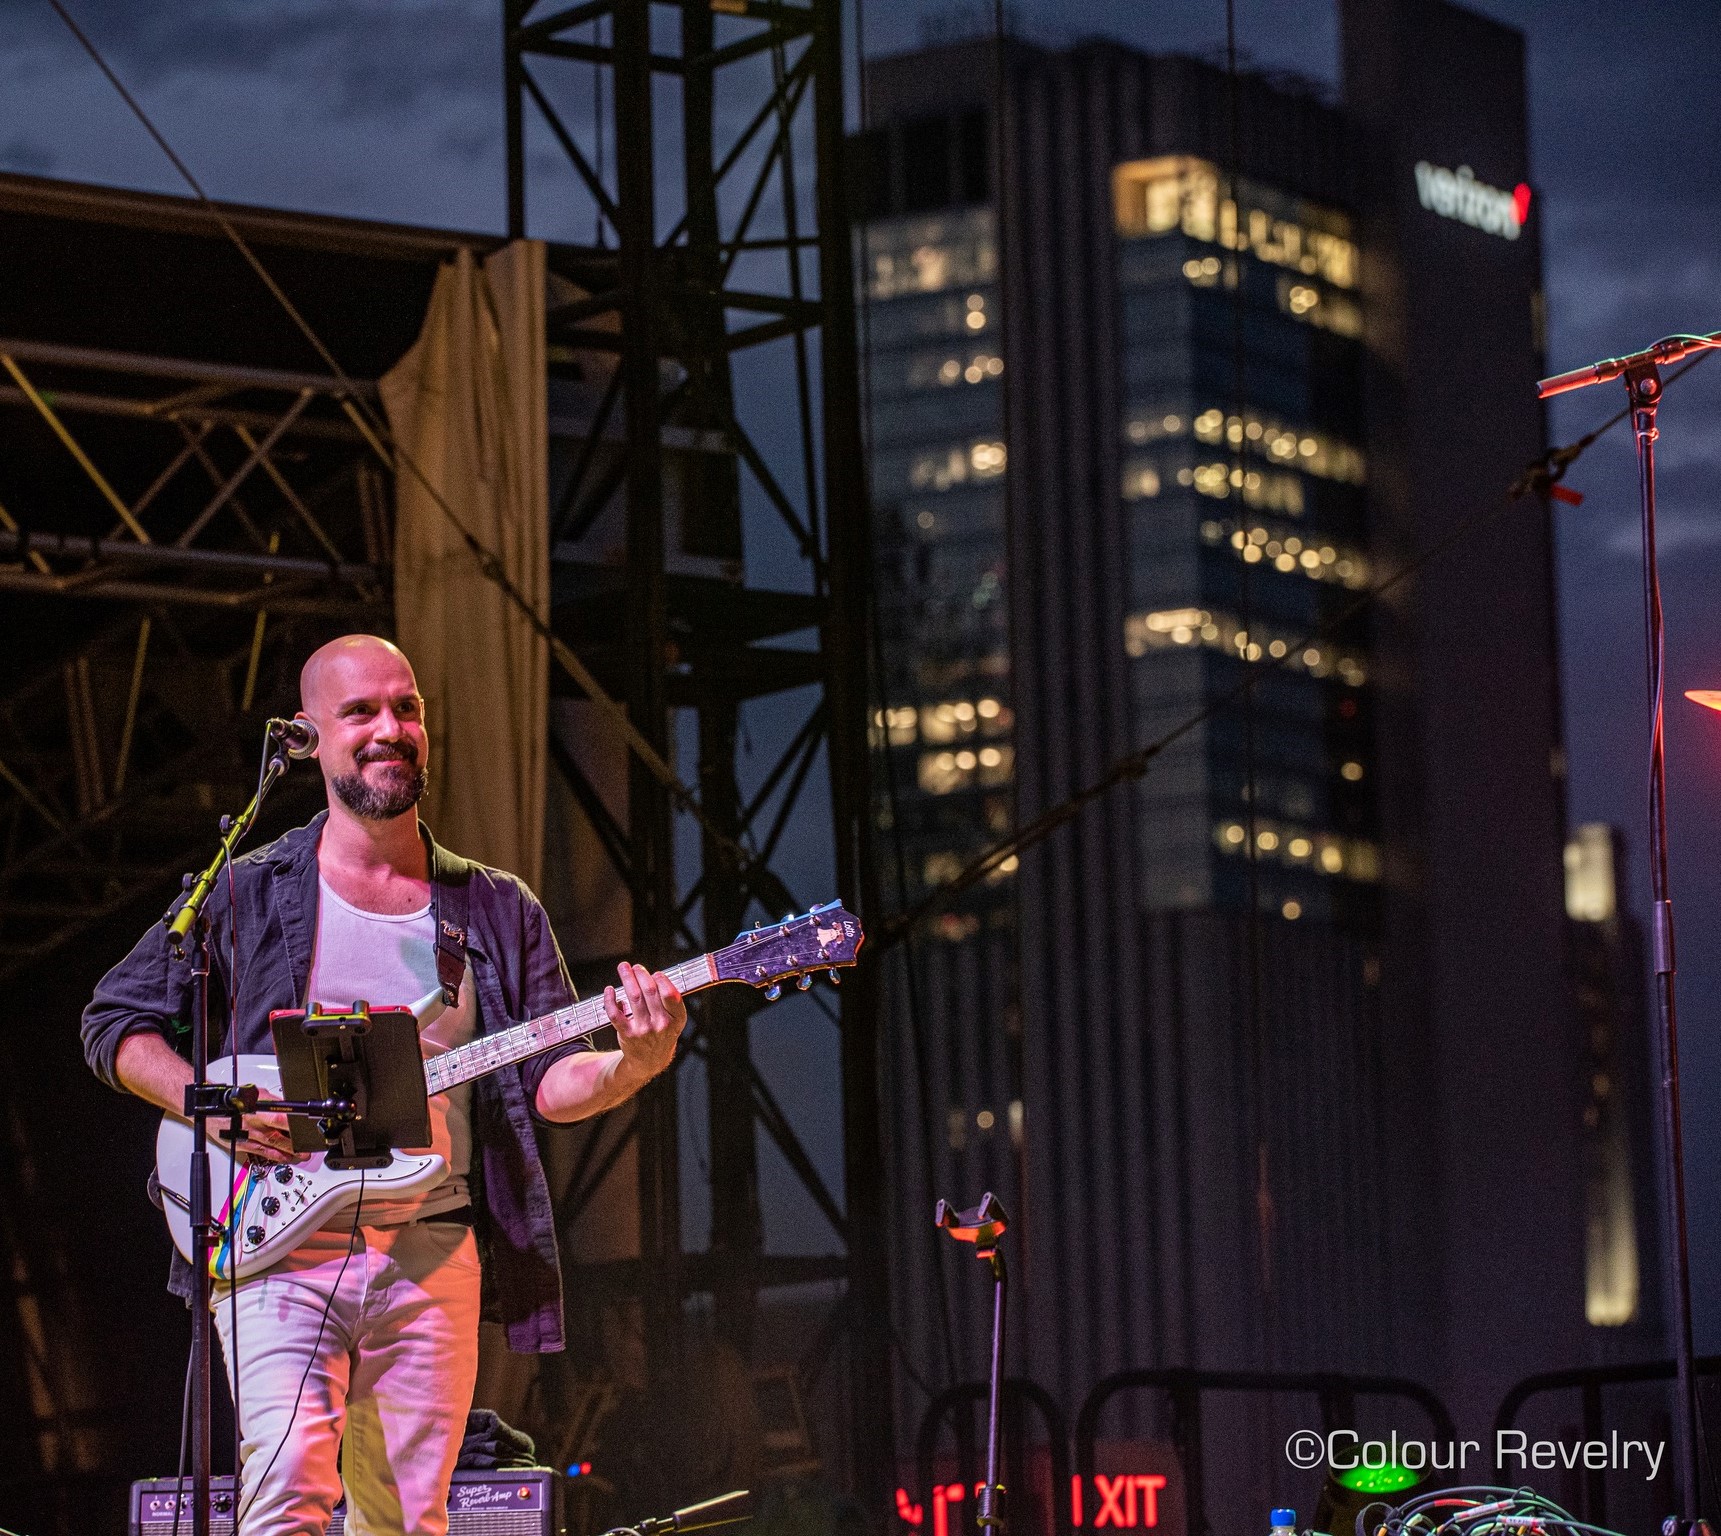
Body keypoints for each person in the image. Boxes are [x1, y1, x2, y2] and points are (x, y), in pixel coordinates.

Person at [82, 634, 688, 1536]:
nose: (389, 729)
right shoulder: (248, 890)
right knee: (285, 1497)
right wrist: (212, 1108)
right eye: (360, 712)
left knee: (405, 1522)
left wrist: (637, 1061)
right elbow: (114, 1026)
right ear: (310, 738)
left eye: (406, 709)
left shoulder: (495, 905)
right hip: (277, 1246)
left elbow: (551, 1084)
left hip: (430, 1251)